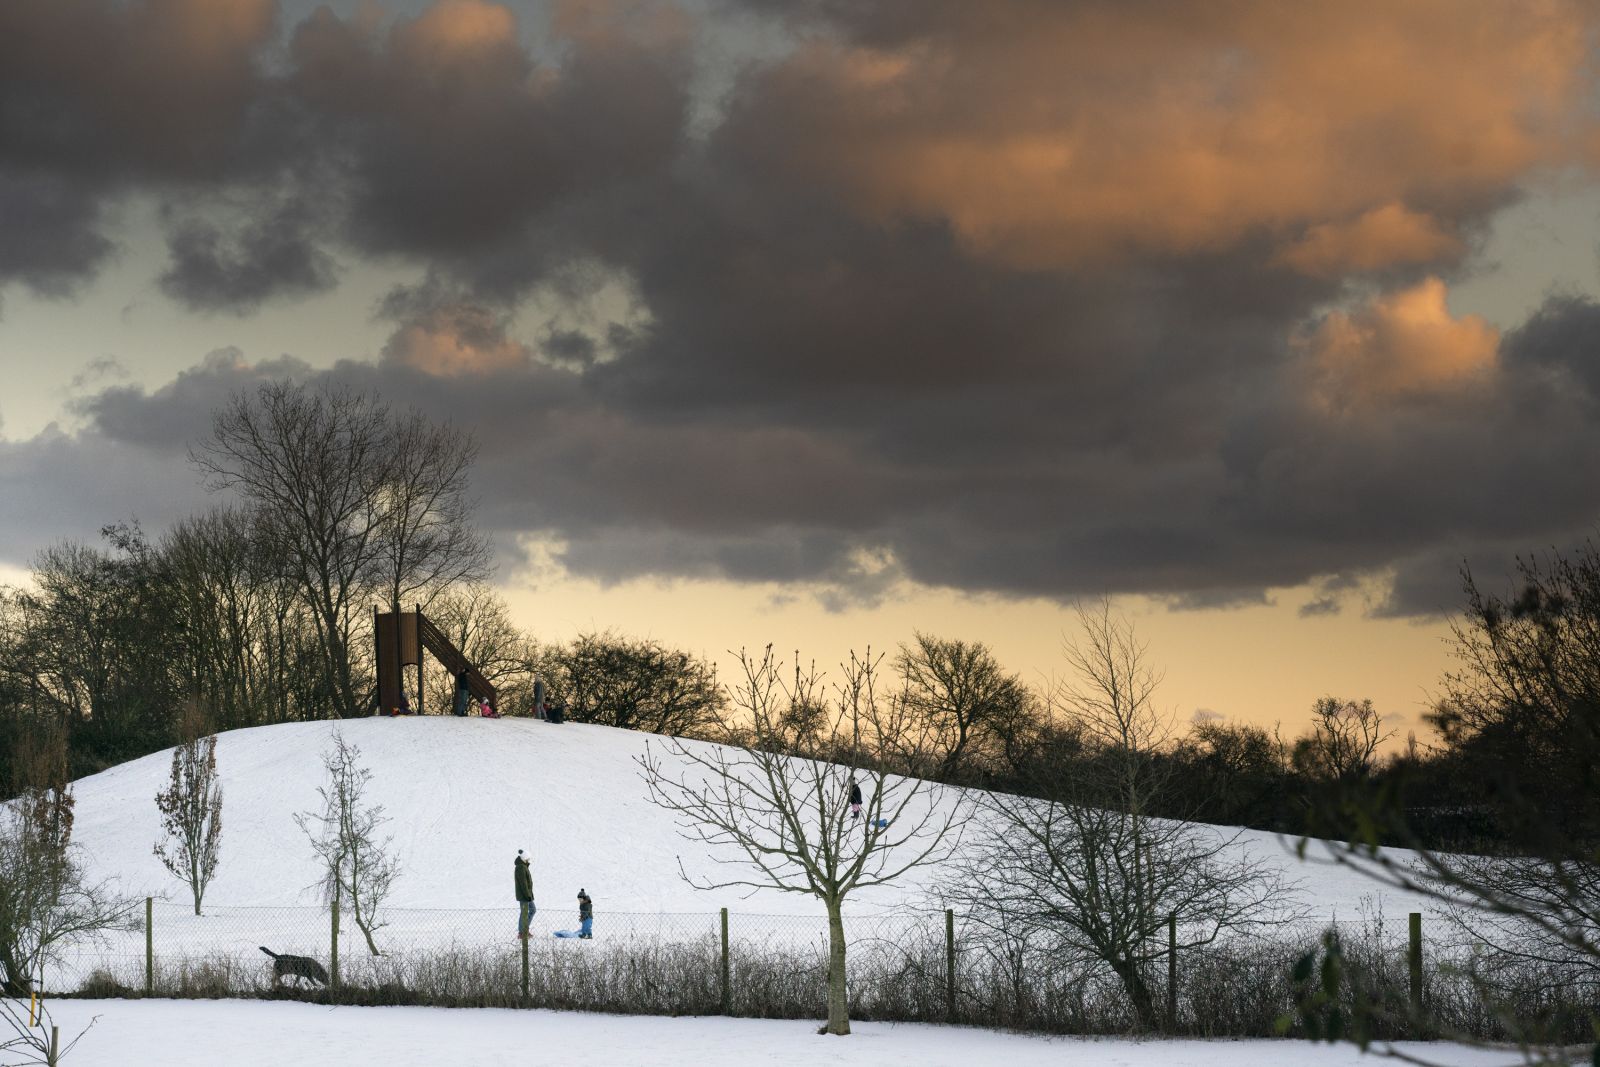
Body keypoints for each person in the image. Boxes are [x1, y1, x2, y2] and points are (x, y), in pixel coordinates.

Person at [514, 850, 535, 940]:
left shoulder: (523, 866)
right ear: (524, 858)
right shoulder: (521, 867)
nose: (529, 860)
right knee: (524, 913)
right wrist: (527, 895)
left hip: (527, 894)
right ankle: (521, 932)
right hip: (524, 895)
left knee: (532, 910)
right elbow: (523, 883)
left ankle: (524, 930)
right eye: (528, 858)